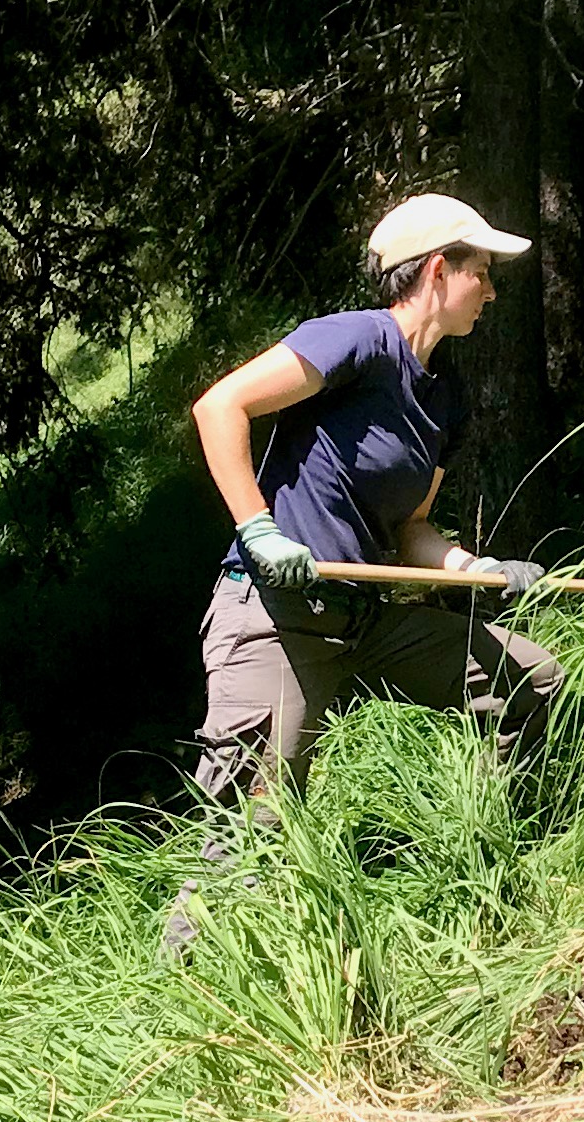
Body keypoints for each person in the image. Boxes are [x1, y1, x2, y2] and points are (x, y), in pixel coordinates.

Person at [182, 192, 563, 810]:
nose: (491, 292)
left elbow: (411, 529)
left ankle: (490, 853)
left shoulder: (444, 398)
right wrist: (260, 530)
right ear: (439, 270)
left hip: (362, 621)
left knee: (528, 681)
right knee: (254, 831)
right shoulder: (357, 339)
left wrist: (477, 570)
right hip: (277, 617)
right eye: (483, 274)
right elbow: (220, 406)